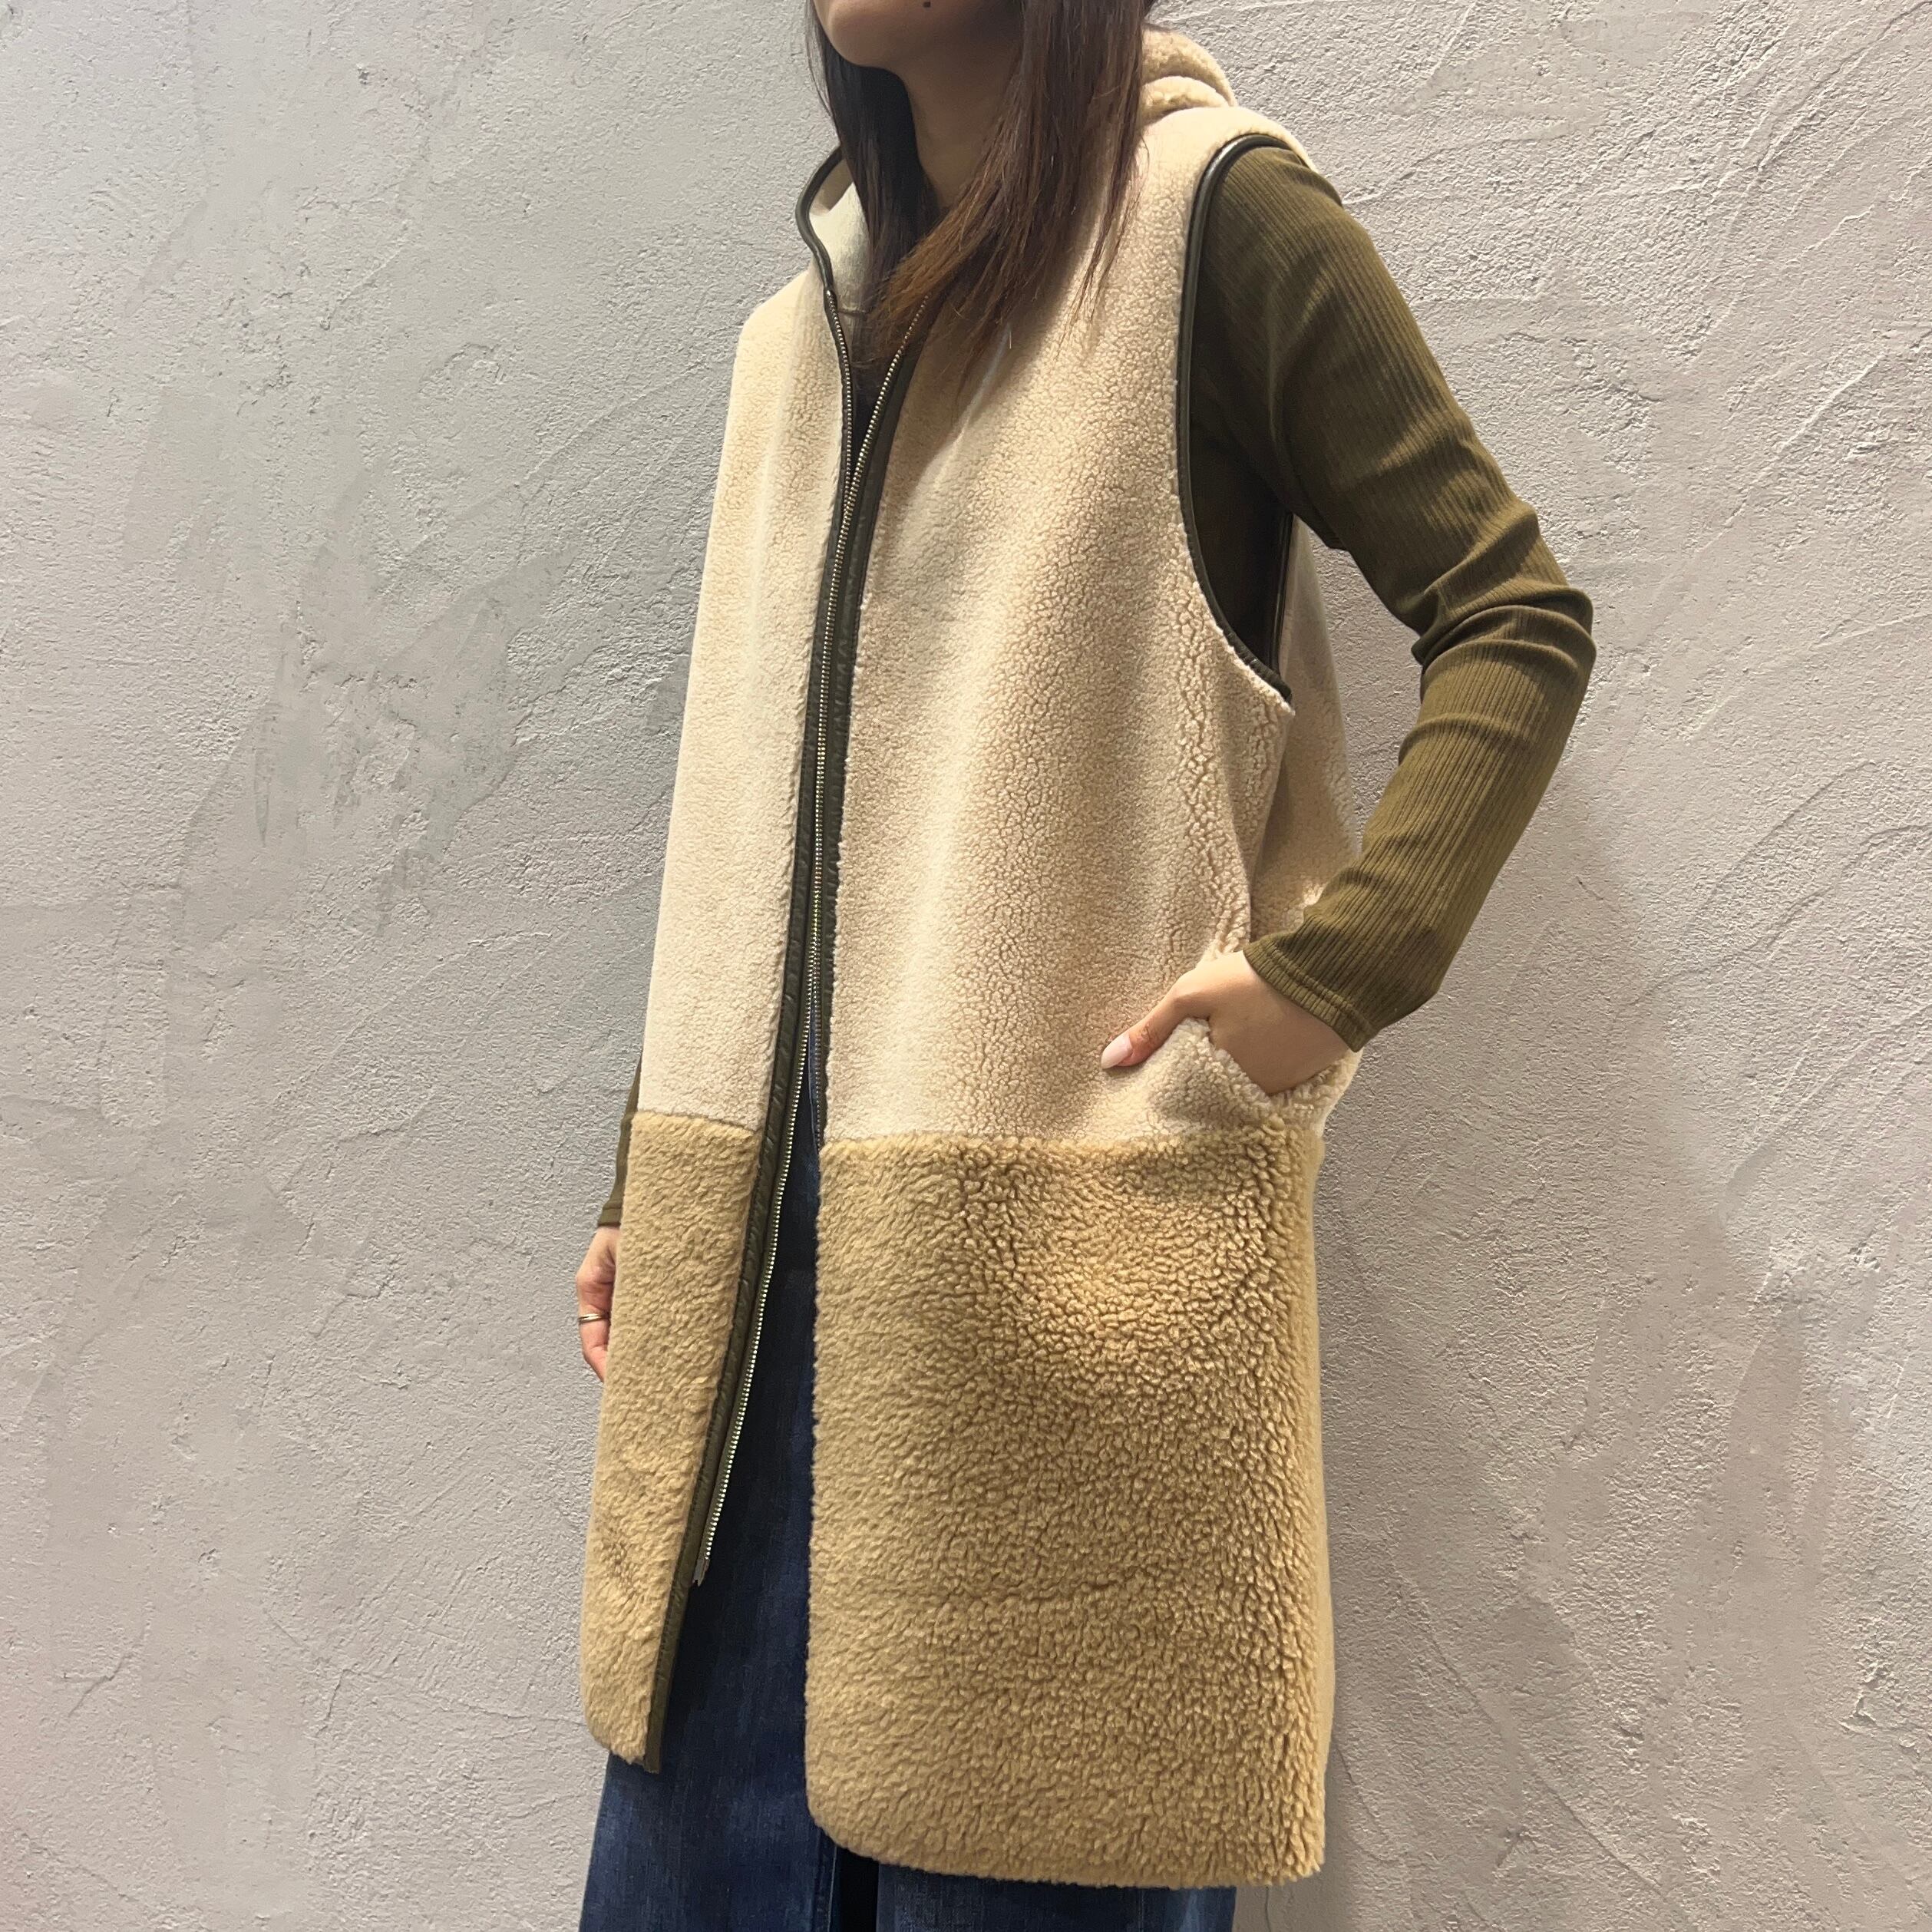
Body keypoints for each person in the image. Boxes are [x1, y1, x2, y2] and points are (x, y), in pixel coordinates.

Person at [573, 4, 1596, 1927]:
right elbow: (766, 811)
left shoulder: (1214, 222)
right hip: (750, 1340)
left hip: (1048, 1326)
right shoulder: (791, 343)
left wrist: (1330, 976)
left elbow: (1508, 616)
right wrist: (654, 1168)